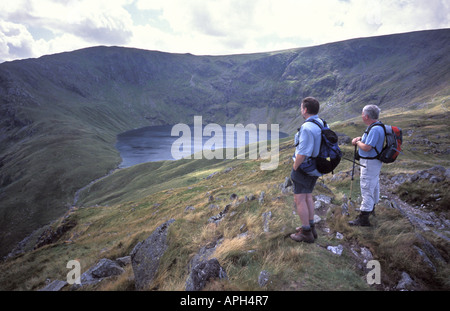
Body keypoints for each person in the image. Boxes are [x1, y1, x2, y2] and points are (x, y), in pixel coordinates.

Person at [290, 97, 323, 243]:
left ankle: (306, 233)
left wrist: (295, 167)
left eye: (301, 107)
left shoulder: (307, 127)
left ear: (305, 110)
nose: (300, 110)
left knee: (299, 199)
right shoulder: (320, 123)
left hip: (305, 168)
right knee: (308, 196)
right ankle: (310, 227)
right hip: (315, 167)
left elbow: (302, 153)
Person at [349, 105, 385, 226]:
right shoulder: (375, 126)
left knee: (367, 187)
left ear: (366, 116)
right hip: (373, 162)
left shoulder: (374, 129)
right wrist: (360, 138)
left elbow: (367, 147)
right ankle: (371, 209)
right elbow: (370, 142)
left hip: (369, 163)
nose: (361, 116)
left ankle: (363, 219)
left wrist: (358, 142)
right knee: (373, 185)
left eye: (362, 114)